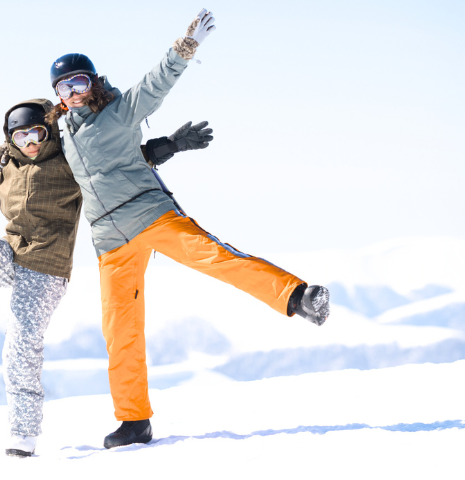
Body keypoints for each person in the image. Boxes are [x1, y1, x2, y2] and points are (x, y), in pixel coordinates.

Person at [48, 9, 331, 449]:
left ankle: (298, 296)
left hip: (150, 215)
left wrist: (186, 46)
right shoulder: (61, 133)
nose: (73, 93)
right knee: (120, 330)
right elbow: (28, 145)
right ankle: (133, 421)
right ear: (58, 95)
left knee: (215, 257)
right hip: (109, 239)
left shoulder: (118, 111)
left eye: (79, 83)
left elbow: (155, 83)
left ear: (94, 83)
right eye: (64, 88)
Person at [0, 100, 211, 457]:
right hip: (11, 255)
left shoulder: (71, 161)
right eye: (20, 136)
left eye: (36, 134)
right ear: (10, 138)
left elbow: (117, 162)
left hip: (46, 270)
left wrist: (172, 145)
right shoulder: (3, 164)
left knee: (19, 345)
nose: (29, 143)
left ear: (49, 131)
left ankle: (23, 436)